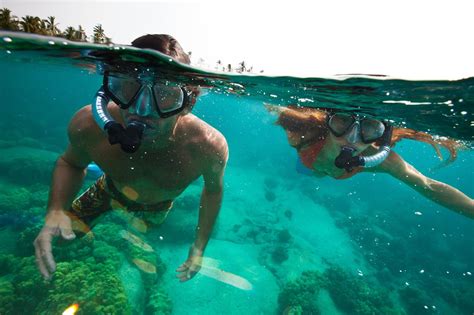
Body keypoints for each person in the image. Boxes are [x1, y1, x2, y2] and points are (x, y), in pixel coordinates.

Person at [34, 34, 229, 282]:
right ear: (110, 89)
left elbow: (213, 191)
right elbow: (70, 163)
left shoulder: (207, 146)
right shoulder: (88, 125)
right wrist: (54, 212)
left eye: (165, 94)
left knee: (149, 233)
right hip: (108, 189)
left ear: (187, 103)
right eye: (128, 88)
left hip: (158, 207)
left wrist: (199, 247)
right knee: (62, 239)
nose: (142, 109)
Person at [267, 105, 474, 218]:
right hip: (308, 165)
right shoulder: (304, 132)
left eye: (370, 129)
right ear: (329, 122)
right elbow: (279, 109)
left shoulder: (381, 160)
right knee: (312, 172)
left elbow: (427, 185)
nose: (352, 138)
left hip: (328, 170)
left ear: (381, 137)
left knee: (319, 173)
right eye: (342, 122)